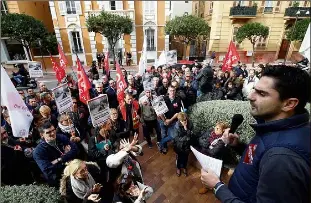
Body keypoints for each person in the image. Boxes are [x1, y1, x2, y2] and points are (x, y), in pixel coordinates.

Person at [201, 65, 310, 203]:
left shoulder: (283, 158)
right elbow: (261, 158)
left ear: (289, 104)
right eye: (254, 90)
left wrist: (218, 187)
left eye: (262, 93)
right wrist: (239, 146)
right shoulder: (273, 129)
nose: (250, 96)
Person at [33, 121, 78, 187]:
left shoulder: (61, 137)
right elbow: (48, 169)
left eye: (53, 130)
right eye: (48, 132)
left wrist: (60, 159)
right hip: (59, 179)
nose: (53, 133)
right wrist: (66, 158)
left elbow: (75, 150)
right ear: (42, 135)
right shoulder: (38, 151)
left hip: (73, 170)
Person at [173, 113, 193, 177]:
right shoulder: (176, 126)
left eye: (185, 120)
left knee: (186, 158)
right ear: (179, 120)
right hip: (179, 146)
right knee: (179, 158)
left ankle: (184, 167)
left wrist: (186, 129)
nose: (184, 122)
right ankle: (178, 168)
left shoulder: (190, 123)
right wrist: (186, 137)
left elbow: (191, 134)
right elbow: (176, 138)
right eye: (182, 121)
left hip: (187, 145)